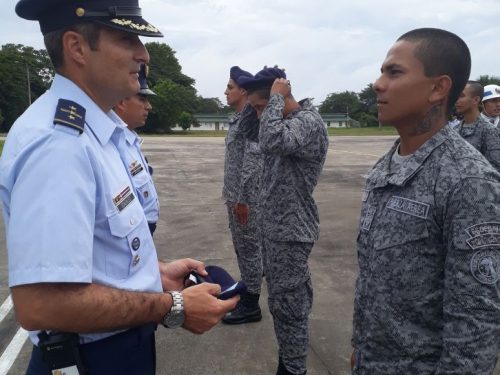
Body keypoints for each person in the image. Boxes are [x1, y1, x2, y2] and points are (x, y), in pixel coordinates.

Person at [0, 1, 237, 374]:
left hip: (117, 347)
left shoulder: (100, 134)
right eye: (127, 39)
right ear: (77, 47)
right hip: (94, 358)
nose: (143, 55)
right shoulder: (59, 144)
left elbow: (97, 252)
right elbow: (41, 304)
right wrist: (172, 306)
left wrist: (153, 276)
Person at [351, 28, 500, 375]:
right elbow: (374, 278)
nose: (377, 84)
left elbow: (476, 323)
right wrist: (362, 345)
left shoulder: (468, 180)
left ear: (438, 88)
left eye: (394, 72)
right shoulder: (387, 164)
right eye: (381, 71)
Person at [238, 68, 329, 375]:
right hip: (274, 229)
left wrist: (274, 99)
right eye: (258, 109)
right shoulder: (278, 121)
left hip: (291, 231)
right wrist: (257, 104)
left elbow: (271, 141)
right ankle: (287, 362)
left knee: (290, 306)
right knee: (280, 303)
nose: (261, 115)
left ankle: (293, 369)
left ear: (284, 98)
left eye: (263, 108)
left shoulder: (308, 123)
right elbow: (248, 133)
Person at [221, 66, 264, 325]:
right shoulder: (236, 119)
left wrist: (244, 199)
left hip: (245, 200)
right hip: (235, 196)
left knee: (249, 249)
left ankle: (251, 303)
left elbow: (253, 163)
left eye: (230, 87)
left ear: (243, 91)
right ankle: (247, 287)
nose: (225, 92)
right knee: (242, 246)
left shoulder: (252, 122)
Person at [114, 63, 160, 236]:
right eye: (142, 99)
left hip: (143, 230)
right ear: (121, 102)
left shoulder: (129, 139)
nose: (149, 106)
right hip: (133, 231)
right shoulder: (113, 144)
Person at [454, 80, 500, 172]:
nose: (498, 105)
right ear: (482, 103)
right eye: (493, 101)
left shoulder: (489, 130)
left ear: (476, 100)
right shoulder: (455, 130)